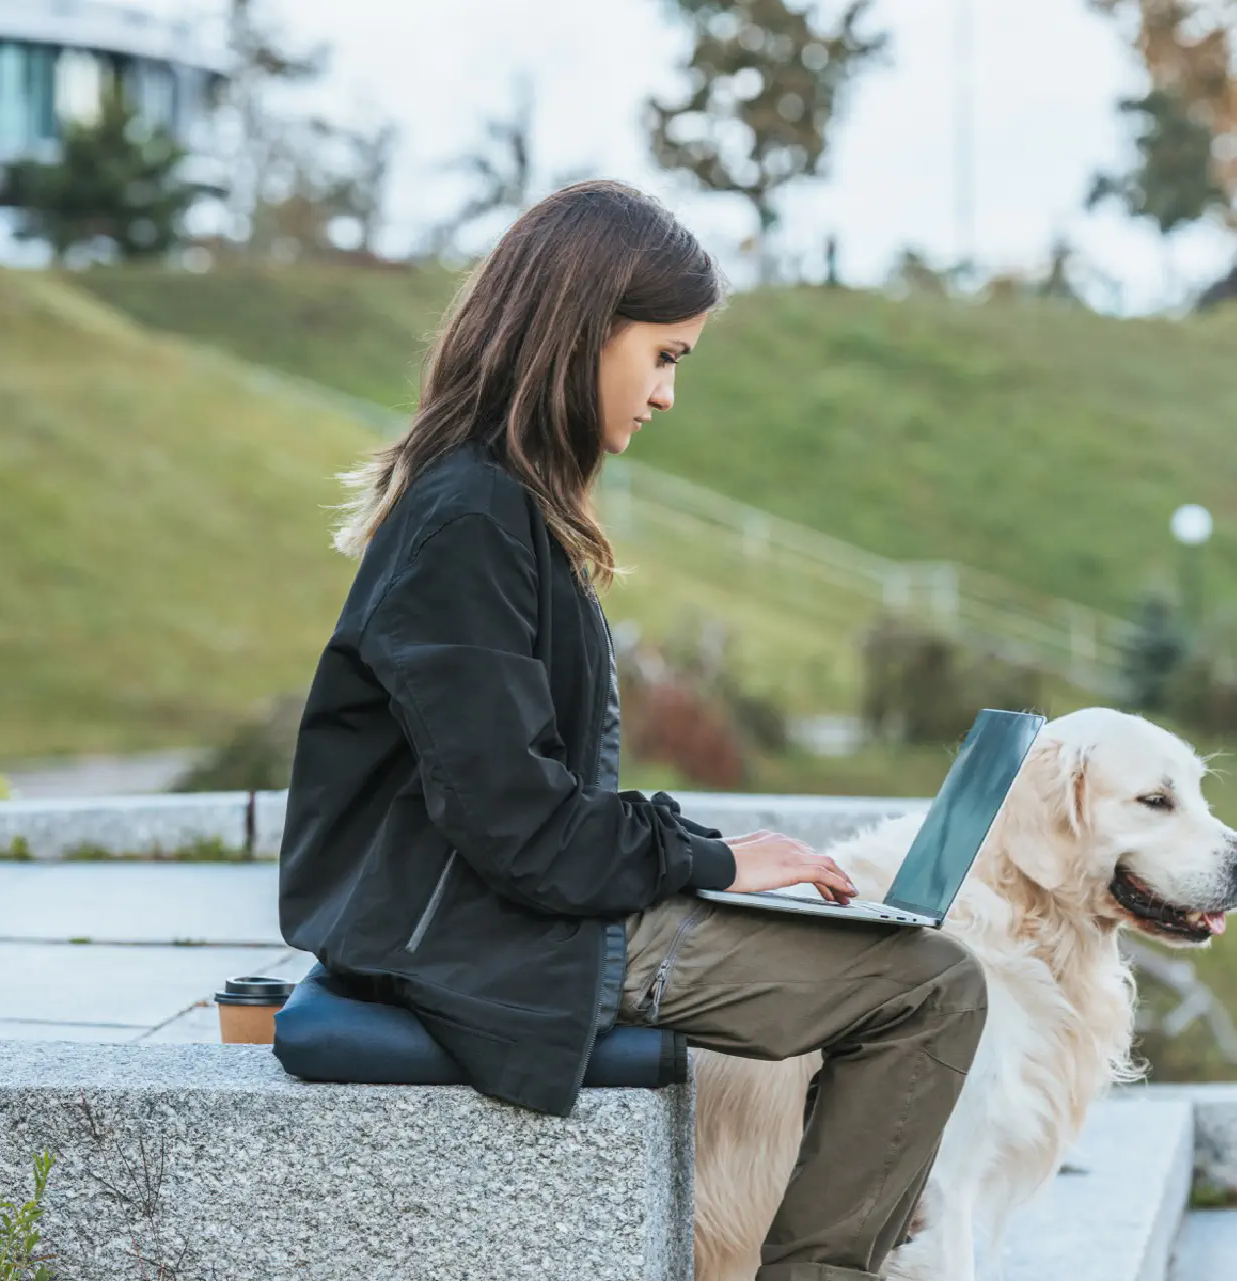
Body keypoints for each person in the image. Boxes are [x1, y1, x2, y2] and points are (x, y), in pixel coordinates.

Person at [279, 179, 988, 1281]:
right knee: (928, 988)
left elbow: (520, 795)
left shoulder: (496, 504)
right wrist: (705, 858)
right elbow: (516, 825)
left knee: (916, 971)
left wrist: (707, 860)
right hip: (482, 930)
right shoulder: (470, 521)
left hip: (492, 906)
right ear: (580, 330)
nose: (666, 395)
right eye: (665, 355)